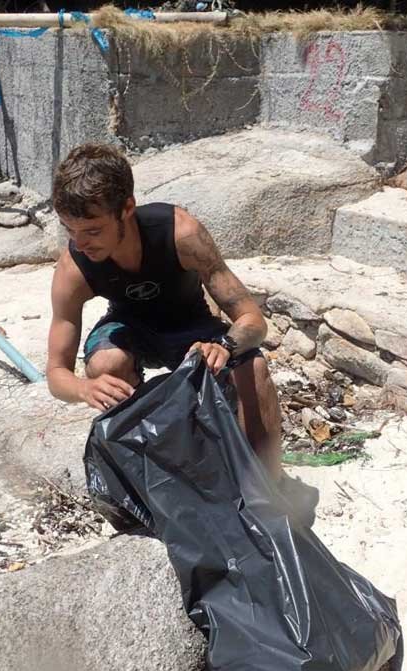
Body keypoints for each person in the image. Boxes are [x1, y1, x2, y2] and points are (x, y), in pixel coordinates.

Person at [46, 143, 282, 479]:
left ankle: (271, 485)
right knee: (105, 366)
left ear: (127, 207)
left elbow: (253, 321)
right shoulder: (73, 268)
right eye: (71, 230)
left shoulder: (181, 234)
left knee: (253, 367)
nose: (81, 243)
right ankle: (142, 476)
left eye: (93, 230)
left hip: (191, 325)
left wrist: (225, 347)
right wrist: (84, 389)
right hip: (129, 327)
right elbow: (56, 374)